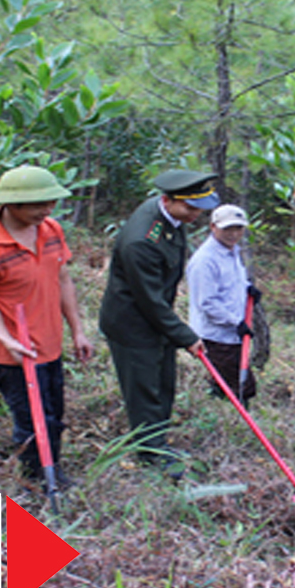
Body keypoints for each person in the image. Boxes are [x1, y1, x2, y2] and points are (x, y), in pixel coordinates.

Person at [0, 165, 95, 488]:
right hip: (13, 352)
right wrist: (8, 341)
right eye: (37, 204)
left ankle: (52, 467)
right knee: (32, 420)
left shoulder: (51, 230)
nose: (46, 210)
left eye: (50, 203)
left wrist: (77, 330)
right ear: (11, 204)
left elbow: (63, 279)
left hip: (49, 343)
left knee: (53, 414)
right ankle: (37, 479)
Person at [98, 169, 220, 468]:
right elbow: (149, 301)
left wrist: (174, 332)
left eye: (200, 208)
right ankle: (150, 457)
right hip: (132, 323)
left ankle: (159, 444)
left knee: (163, 383)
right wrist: (187, 336)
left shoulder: (172, 217)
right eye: (190, 208)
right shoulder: (142, 240)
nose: (196, 214)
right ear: (167, 200)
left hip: (157, 317)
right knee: (144, 390)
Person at [187, 204, 259, 405]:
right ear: (213, 227)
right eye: (228, 229)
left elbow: (231, 282)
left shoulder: (232, 251)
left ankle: (214, 404)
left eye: (238, 228)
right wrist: (237, 322)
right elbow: (207, 303)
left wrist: (247, 289)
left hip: (233, 332)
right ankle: (232, 424)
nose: (234, 234)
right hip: (216, 335)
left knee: (227, 381)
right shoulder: (205, 261)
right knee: (242, 387)